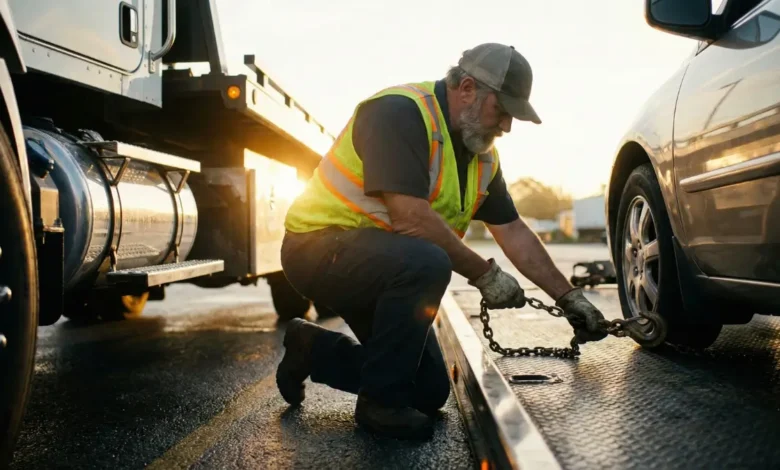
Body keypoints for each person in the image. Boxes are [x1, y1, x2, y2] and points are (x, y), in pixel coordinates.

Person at [276, 43, 608, 440]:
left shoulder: (482, 157)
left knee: (428, 391)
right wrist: (484, 276)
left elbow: (514, 231)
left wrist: (567, 297)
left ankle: (310, 349)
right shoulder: (398, 113)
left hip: (384, 267)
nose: (505, 127)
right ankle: (379, 405)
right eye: (500, 111)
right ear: (467, 87)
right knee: (429, 261)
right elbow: (411, 219)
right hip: (317, 250)